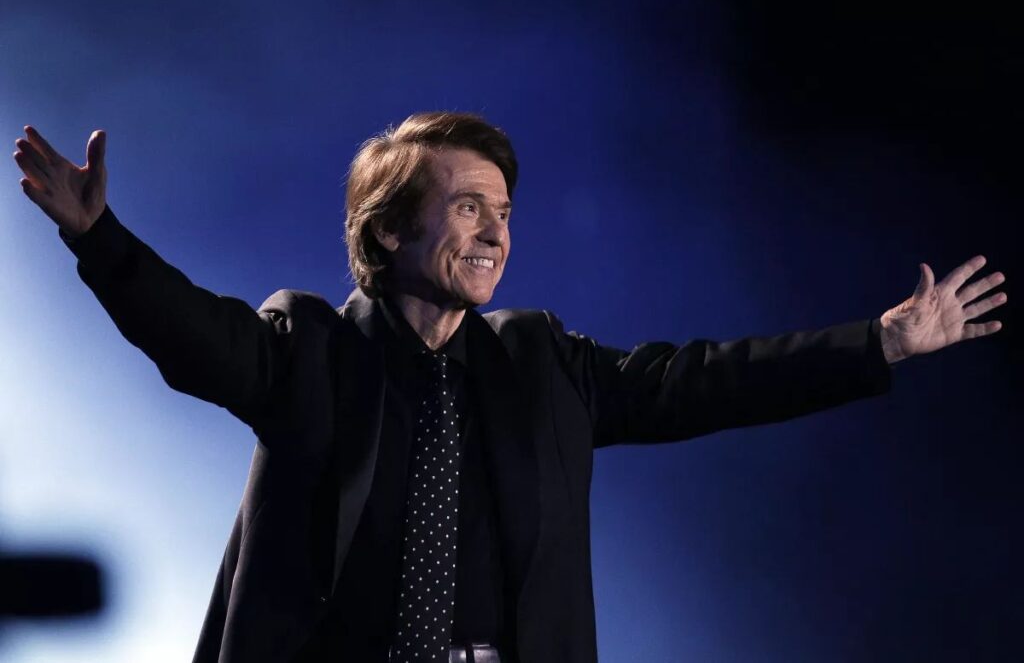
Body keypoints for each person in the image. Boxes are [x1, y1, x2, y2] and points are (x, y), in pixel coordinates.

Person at [12, 112, 1007, 663]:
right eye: (467, 207)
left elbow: (703, 382)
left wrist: (876, 343)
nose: (497, 232)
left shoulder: (539, 361)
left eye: (505, 211)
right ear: (389, 228)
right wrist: (100, 241)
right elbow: (193, 335)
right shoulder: (308, 347)